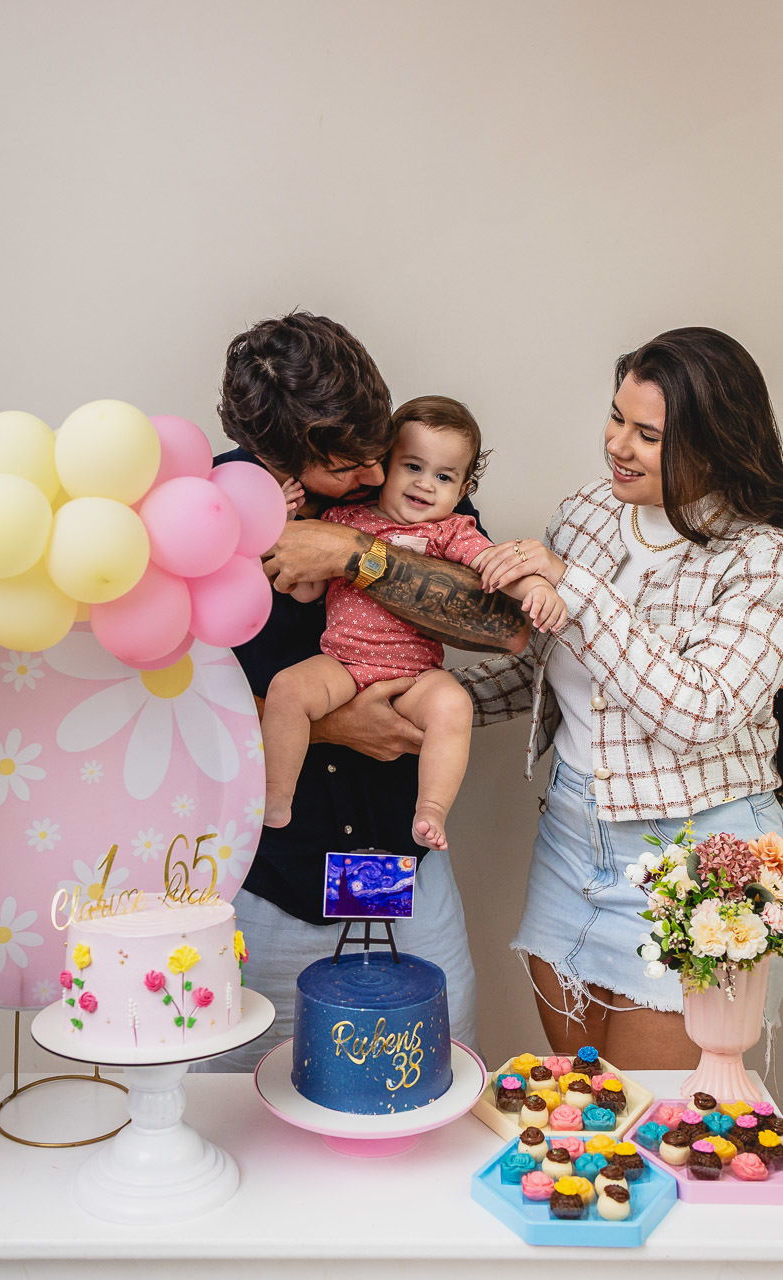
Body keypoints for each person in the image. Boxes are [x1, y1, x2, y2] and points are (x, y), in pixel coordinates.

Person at [194, 312, 529, 1070]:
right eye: (349, 467)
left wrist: (354, 551)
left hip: (402, 871)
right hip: (267, 879)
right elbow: (175, 707)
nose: (377, 476)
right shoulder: (209, 513)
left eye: (377, 452)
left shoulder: (412, 484)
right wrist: (330, 727)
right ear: (276, 457)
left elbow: (500, 624)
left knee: (435, 1083)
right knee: (240, 1104)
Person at [450, 326, 783, 1069]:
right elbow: (551, 675)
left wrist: (574, 586)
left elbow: (697, 712)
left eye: (647, 434)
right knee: (587, 1103)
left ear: (714, 443)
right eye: (615, 417)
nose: (616, 446)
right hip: (572, 843)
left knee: (662, 1126)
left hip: (701, 858)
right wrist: (432, 700)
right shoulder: (584, 516)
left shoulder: (762, 557)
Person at [262, 396, 566, 851]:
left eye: (443, 476)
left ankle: (431, 809)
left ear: (462, 488)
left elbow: (495, 570)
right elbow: (305, 590)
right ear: (384, 466)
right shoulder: (343, 520)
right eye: (413, 467)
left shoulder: (452, 532)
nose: (426, 485)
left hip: (414, 677)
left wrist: (538, 590)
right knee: (287, 688)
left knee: (453, 704)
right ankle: (274, 794)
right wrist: (280, 523)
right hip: (343, 664)